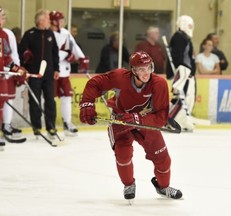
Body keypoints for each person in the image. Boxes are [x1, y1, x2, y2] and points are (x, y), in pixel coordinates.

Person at [79, 51, 182, 201]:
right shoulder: (119, 77)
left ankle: (163, 187)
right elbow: (94, 84)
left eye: (148, 68)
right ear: (133, 70)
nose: (146, 73)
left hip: (145, 122)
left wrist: (137, 118)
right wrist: (87, 104)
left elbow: (160, 117)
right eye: (141, 69)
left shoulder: (159, 84)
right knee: (123, 154)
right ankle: (128, 184)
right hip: (121, 121)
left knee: (163, 158)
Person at [18, 9, 60, 139]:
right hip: (34, 74)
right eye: (47, 18)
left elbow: (55, 52)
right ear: (40, 20)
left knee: (50, 101)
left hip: (48, 75)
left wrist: (56, 69)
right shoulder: (29, 34)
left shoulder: (50, 34)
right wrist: (25, 66)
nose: (49, 20)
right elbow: (21, 53)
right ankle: (36, 128)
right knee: (35, 102)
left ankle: (51, 127)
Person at [50, 10, 89, 136]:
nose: (62, 22)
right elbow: (51, 54)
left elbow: (74, 47)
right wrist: (66, 55)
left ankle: (67, 123)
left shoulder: (66, 33)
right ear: (54, 22)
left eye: (62, 20)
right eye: (60, 20)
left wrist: (81, 58)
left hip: (65, 72)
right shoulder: (48, 34)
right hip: (52, 72)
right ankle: (49, 125)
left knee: (66, 97)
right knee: (50, 99)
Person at [0, 7, 27, 147]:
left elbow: (7, 57)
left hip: (2, 76)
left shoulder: (4, 35)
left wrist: (17, 69)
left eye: (4, 17)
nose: (4, 20)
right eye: (2, 17)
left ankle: (5, 127)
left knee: (2, 102)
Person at [165, 15, 196, 131]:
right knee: (180, 98)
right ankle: (172, 120)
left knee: (186, 98)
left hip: (186, 73)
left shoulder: (184, 38)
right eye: (189, 25)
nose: (191, 28)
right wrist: (182, 73)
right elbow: (178, 58)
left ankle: (182, 121)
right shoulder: (179, 38)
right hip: (183, 73)